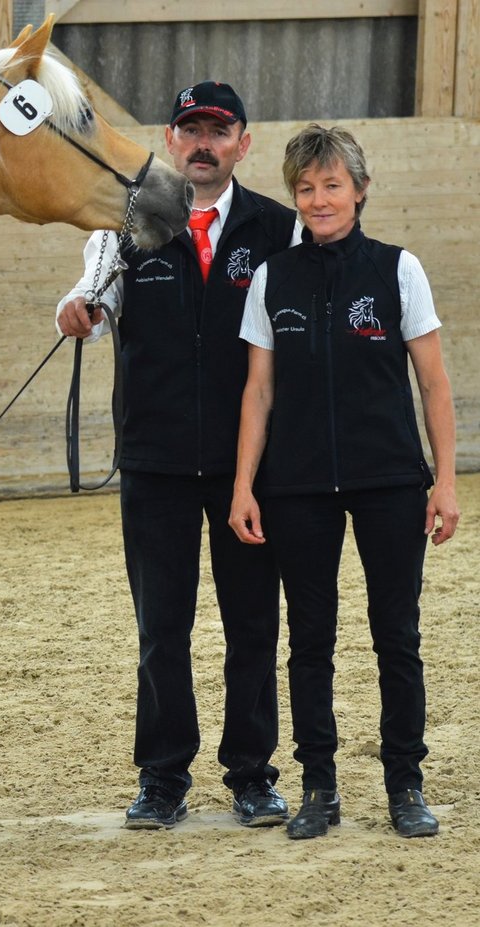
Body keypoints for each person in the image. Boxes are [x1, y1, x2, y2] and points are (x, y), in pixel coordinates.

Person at [56, 81, 297, 829]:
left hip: (249, 467)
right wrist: (77, 312)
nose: (204, 143)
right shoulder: (123, 225)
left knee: (253, 621)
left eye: (218, 131)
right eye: (191, 129)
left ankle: (253, 773)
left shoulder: (278, 230)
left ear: (243, 144)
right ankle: (162, 778)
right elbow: (90, 304)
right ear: (170, 139)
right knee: (163, 626)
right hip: (155, 458)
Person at [229, 124, 458, 840]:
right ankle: (319, 787)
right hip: (296, 488)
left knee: (398, 635)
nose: (319, 199)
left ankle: (405, 784)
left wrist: (445, 480)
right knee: (310, 640)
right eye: (306, 187)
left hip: (389, 480)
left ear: (359, 189)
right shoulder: (273, 277)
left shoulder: (399, 269)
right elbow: (258, 393)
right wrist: (244, 485)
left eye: (332, 185)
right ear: (294, 196)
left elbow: (435, 383)